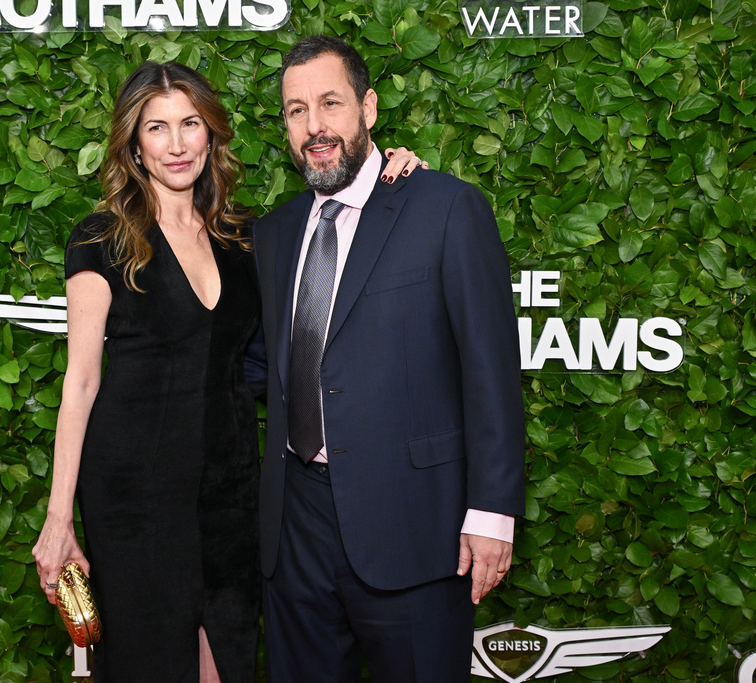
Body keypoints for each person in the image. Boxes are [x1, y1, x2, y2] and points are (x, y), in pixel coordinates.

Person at [31, 60, 425, 683]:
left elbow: (329, 288)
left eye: (190, 123)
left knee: (229, 661)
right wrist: (59, 522)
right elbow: (79, 383)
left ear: (211, 133)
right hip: (135, 495)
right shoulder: (103, 238)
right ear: (134, 144)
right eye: (156, 128)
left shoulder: (244, 238)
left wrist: (388, 173)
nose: (178, 143)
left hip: (232, 492)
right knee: (149, 663)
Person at [248, 36, 526, 682]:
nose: (314, 126)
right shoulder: (275, 233)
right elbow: (259, 365)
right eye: (295, 111)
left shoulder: (445, 208)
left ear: (368, 108)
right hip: (296, 534)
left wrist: (492, 513)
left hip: (415, 529)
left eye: (330, 103)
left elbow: (490, 370)